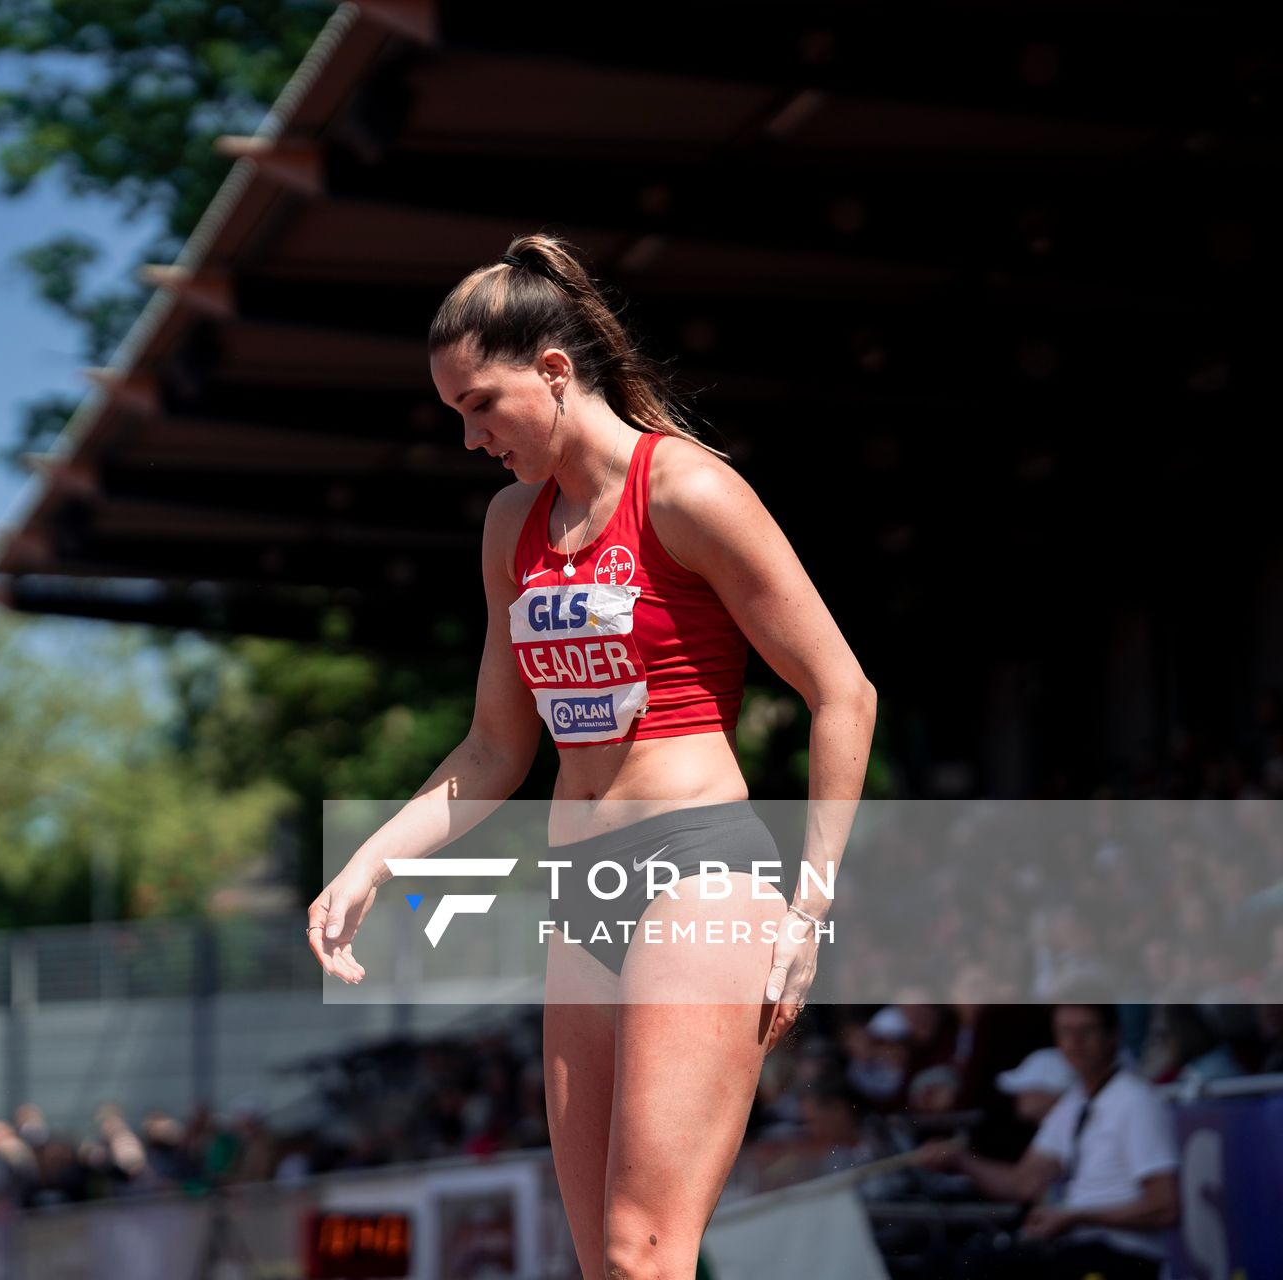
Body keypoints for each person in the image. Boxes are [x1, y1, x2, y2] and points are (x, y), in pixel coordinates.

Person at [306, 235, 876, 1279]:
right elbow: (493, 747)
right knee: (604, 1262)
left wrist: (811, 906)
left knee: (642, 1249)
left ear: (556, 370)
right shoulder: (510, 525)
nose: (471, 437)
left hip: (701, 870)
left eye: (482, 404)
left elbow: (844, 692)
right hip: (584, 887)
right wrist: (368, 863)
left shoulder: (688, 491)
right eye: (456, 414)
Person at [912, 997, 1179, 1278]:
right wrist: (961, 1161)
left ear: (1112, 1036)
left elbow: (1166, 1208)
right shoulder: (1074, 1102)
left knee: (978, 1266)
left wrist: (1076, 1216)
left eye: (1086, 1031)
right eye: (1065, 1032)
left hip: (1121, 1257)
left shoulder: (1136, 1101)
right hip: (1080, 1247)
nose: (1075, 1043)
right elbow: (1022, 1183)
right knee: (944, 1261)